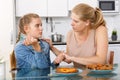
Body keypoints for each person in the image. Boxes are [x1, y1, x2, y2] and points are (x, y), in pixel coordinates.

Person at [48, 3, 108, 69]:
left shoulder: (99, 30)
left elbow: (101, 60)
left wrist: (74, 58)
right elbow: (68, 59)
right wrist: (52, 47)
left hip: (97, 76)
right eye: (72, 19)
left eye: (76, 21)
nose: (71, 24)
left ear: (87, 22)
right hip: (78, 76)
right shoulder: (70, 34)